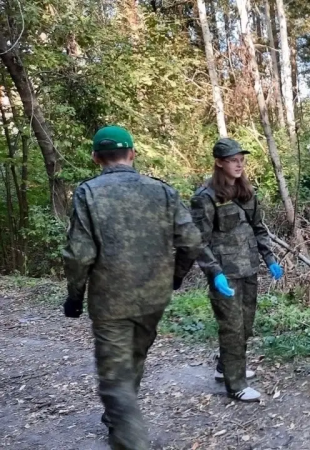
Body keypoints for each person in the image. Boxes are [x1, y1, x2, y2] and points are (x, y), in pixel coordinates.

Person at [62, 125, 202, 449]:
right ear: (133, 154)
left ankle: (129, 438)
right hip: (154, 297)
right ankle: (116, 420)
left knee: (114, 379)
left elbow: (79, 254)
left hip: (111, 302)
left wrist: (74, 296)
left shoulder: (89, 193)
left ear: (96, 157)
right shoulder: (162, 192)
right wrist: (177, 276)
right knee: (135, 355)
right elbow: (192, 240)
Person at [190, 138, 284, 402]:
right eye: (233, 160)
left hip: (249, 269)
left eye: (241, 159)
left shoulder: (246, 193)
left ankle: (226, 367)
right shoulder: (205, 198)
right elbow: (198, 241)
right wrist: (213, 271)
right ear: (219, 163)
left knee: (245, 326)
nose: (239, 164)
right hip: (225, 273)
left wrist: (270, 258)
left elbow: (259, 229)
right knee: (232, 328)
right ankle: (236, 384)